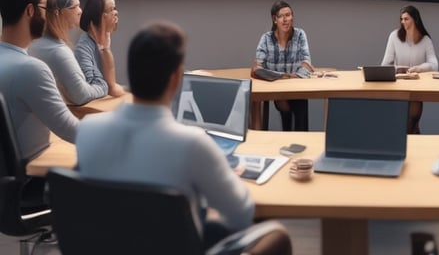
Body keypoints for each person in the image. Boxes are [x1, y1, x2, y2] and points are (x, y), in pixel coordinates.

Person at [76, 23, 286, 253]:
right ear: (177, 78)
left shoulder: (88, 130)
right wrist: (228, 179)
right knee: (277, 236)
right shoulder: (192, 144)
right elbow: (241, 215)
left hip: (113, 247)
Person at [0, 0, 79, 162]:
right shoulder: (31, 69)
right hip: (30, 180)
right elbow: (71, 130)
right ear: (30, 11)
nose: (47, 16)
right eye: (45, 7)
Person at [27, 0, 115, 106]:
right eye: (75, 7)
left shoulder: (34, 43)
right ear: (58, 12)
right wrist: (103, 85)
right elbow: (82, 95)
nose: (80, 11)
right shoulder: (58, 51)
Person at [251, 1, 314, 131]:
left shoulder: (300, 34)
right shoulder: (266, 38)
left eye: (289, 15)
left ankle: (300, 142)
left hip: (297, 90)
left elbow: (306, 65)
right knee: (281, 102)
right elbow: (257, 69)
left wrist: (277, 76)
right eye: (281, 16)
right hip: (277, 92)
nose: (286, 20)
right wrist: (290, 76)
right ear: (275, 19)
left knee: (300, 102)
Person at [381, 5, 438, 133]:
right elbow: (385, 65)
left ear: (415, 19)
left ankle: (413, 142)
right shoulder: (394, 37)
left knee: (412, 121)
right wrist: (399, 69)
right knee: (404, 124)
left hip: (416, 86)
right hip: (398, 86)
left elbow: (434, 64)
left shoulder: (425, 40)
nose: (403, 22)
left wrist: (419, 68)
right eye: (401, 19)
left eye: (406, 19)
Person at [74, 0, 126, 101]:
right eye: (111, 9)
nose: (116, 13)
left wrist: (106, 49)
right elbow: (108, 88)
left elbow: (111, 86)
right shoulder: (82, 49)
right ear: (99, 16)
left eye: (115, 8)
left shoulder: (102, 42)